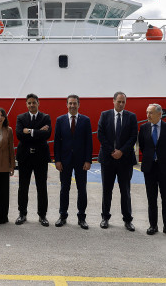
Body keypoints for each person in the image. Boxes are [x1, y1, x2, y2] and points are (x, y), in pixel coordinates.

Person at [97, 91, 138, 231]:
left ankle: (127, 220)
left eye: (123, 102)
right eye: (119, 101)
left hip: (125, 160)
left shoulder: (131, 117)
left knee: (125, 191)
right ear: (113, 101)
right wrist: (112, 151)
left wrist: (121, 151)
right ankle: (105, 218)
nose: (121, 104)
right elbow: (100, 135)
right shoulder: (105, 115)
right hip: (108, 159)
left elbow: (133, 136)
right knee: (107, 190)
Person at [138, 103, 166, 238]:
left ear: (159, 114)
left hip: (165, 168)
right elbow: (143, 147)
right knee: (151, 198)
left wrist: (164, 158)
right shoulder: (143, 128)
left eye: (150, 113)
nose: (147, 115)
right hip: (149, 168)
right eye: (147, 112)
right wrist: (152, 158)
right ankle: (153, 225)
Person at [53, 95, 93, 229]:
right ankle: (62, 215)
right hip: (64, 161)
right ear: (66, 105)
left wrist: (88, 160)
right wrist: (57, 160)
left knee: (82, 189)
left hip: (81, 161)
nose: (72, 106)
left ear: (79, 104)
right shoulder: (60, 120)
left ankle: (82, 217)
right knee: (64, 188)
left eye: (74, 103)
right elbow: (57, 142)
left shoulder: (86, 120)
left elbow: (89, 142)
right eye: (70, 103)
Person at [15, 93, 52, 227]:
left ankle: (42, 215)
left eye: (34, 102)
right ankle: (22, 214)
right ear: (26, 104)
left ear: (38, 103)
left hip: (40, 158)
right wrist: (38, 132)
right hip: (25, 157)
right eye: (29, 103)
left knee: (42, 187)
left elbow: (47, 134)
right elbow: (19, 134)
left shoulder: (45, 117)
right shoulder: (21, 117)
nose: (31, 105)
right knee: (23, 187)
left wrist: (29, 131)